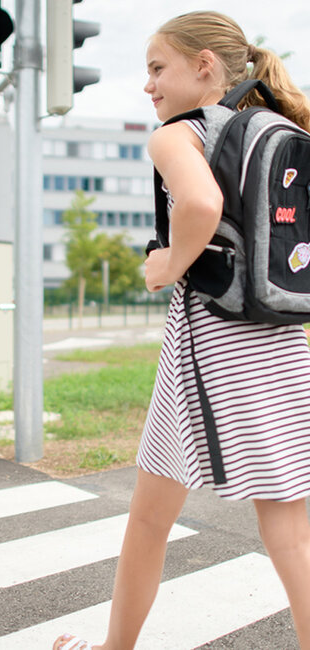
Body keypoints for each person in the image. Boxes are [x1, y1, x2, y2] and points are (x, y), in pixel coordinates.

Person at [54, 11, 310, 650]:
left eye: (157, 68)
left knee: (150, 519)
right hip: (279, 338)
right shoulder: (277, 127)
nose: (148, 85)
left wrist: (168, 264)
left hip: (210, 345)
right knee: (288, 529)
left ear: (203, 66)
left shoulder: (179, 135)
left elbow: (200, 204)